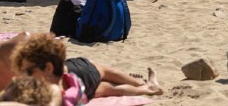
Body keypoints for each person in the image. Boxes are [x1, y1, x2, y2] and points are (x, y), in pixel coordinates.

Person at [11, 33, 163, 101]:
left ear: (48, 68)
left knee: (109, 86)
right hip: (80, 71)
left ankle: (145, 86)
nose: (24, 75)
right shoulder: (49, 80)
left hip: (83, 72)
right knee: (107, 84)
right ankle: (147, 86)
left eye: (28, 71)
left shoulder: (52, 89)